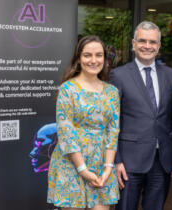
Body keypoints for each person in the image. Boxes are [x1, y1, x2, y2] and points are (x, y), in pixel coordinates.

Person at [110, 21, 172, 210]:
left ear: (158, 46)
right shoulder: (118, 75)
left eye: (152, 42)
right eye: (142, 41)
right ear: (133, 44)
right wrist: (116, 160)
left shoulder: (171, 75)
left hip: (162, 161)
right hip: (128, 162)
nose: (147, 46)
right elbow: (112, 121)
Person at [47, 35, 120, 210]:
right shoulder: (67, 89)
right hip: (72, 164)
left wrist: (108, 167)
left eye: (99, 55)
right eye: (87, 55)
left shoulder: (112, 92)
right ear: (79, 59)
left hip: (102, 164)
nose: (94, 60)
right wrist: (82, 169)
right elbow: (66, 132)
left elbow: (113, 130)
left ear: (105, 58)